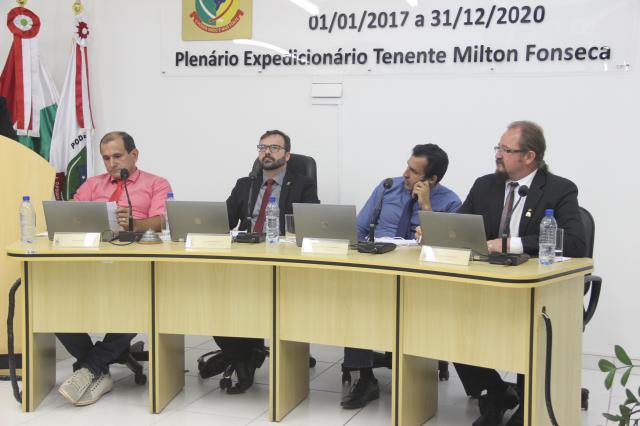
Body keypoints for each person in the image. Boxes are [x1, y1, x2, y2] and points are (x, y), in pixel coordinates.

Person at [453, 121, 586, 426]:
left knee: (530, 330)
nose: (498, 155)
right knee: (448, 316)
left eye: (506, 150)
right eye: (498, 148)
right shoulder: (484, 185)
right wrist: (437, 232)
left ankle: (529, 402)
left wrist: (511, 244)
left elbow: (575, 242)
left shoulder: (559, 189)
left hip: (538, 294)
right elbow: (459, 229)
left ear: (529, 156)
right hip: (486, 285)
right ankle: (496, 391)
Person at [56, 131, 172, 406]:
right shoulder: (92, 185)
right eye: (106, 158)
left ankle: (89, 368)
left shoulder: (156, 183)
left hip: (135, 264)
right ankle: (97, 368)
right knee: (54, 306)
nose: (111, 163)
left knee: (139, 304)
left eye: (117, 156)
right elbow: (71, 214)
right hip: (90, 262)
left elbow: (163, 221)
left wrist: (134, 224)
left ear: (134, 155)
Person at [342, 143, 461, 409]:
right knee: (356, 299)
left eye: (414, 171)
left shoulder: (451, 202)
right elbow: (359, 229)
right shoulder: (387, 188)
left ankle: (414, 375)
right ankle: (365, 378)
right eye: (407, 166)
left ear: (432, 179)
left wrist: (426, 205)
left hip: (421, 279)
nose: (405, 174)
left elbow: (448, 250)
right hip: (378, 269)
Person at [211, 129, 319, 394]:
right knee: (215, 298)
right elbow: (224, 221)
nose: (267, 152)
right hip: (244, 258)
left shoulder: (303, 184)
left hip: (283, 262)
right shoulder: (245, 184)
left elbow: (311, 224)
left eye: (274, 148)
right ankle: (241, 353)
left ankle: (244, 356)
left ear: (287, 155)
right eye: (262, 147)